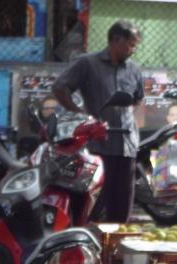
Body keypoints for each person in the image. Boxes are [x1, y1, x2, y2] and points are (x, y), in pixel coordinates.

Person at [53, 20, 144, 223]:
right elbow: (60, 87)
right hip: (97, 146)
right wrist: (81, 115)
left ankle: (116, 249)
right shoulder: (88, 63)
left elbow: (138, 98)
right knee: (92, 204)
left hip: (126, 145)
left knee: (121, 207)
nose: (134, 49)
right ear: (115, 40)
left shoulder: (134, 70)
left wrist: (127, 117)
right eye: (131, 44)